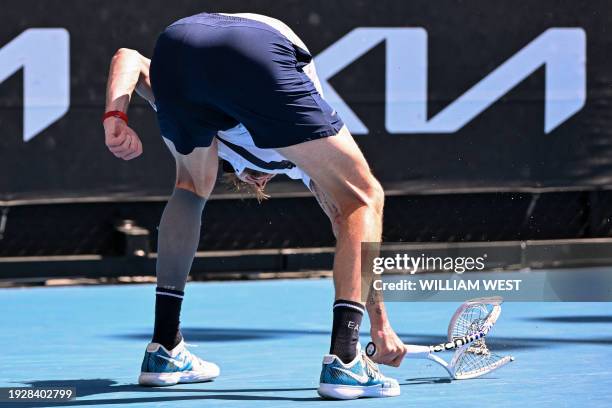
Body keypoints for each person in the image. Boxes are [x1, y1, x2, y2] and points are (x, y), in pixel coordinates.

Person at [102, 12, 406, 400]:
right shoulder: (298, 162)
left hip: (179, 42)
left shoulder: (221, 135)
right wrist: (380, 327)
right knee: (365, 196)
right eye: (256, 180)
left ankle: (164, 346)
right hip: (237, 44)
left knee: (192, 185)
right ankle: (345, 360)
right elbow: (350, 219)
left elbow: (128, 57)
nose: (257, 181)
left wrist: (115, 115)